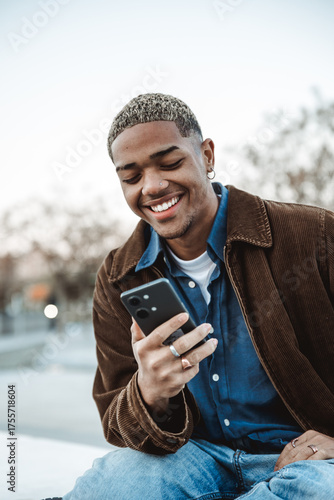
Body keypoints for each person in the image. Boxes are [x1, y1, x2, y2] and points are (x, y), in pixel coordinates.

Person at [62, 93, 334, 499]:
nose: (152, 187)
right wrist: (148, 393)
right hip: (192, 457)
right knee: (110, 486)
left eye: (170, 163)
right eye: (131, 177)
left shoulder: (315, 235)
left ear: (206, 156)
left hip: (309, 458)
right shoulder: (118, 277)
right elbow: (117, 423)